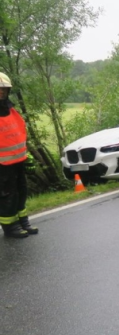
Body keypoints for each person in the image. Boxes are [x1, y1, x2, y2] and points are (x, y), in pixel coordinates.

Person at [0, 72, 38, 238]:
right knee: (7, 194)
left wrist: (27, 156)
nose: (1, 92)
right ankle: (10, 227)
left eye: (3, 89)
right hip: (2, 164)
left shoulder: (11, 110)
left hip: (17, 160)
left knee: (21, 191)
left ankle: (23, 221)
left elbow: (19, 133)